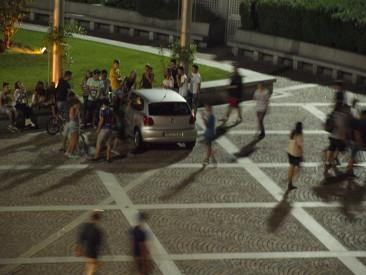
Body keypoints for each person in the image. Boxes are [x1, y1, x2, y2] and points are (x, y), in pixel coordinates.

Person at [287, 122, 304, 190]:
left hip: (290, 151)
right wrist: (302, 153)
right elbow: (299, 145)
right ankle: (290, 179)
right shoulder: (299, 135)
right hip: (296, 153)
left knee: (292, 166)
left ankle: (290, 180)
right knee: (298, 167)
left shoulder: (293, 132)